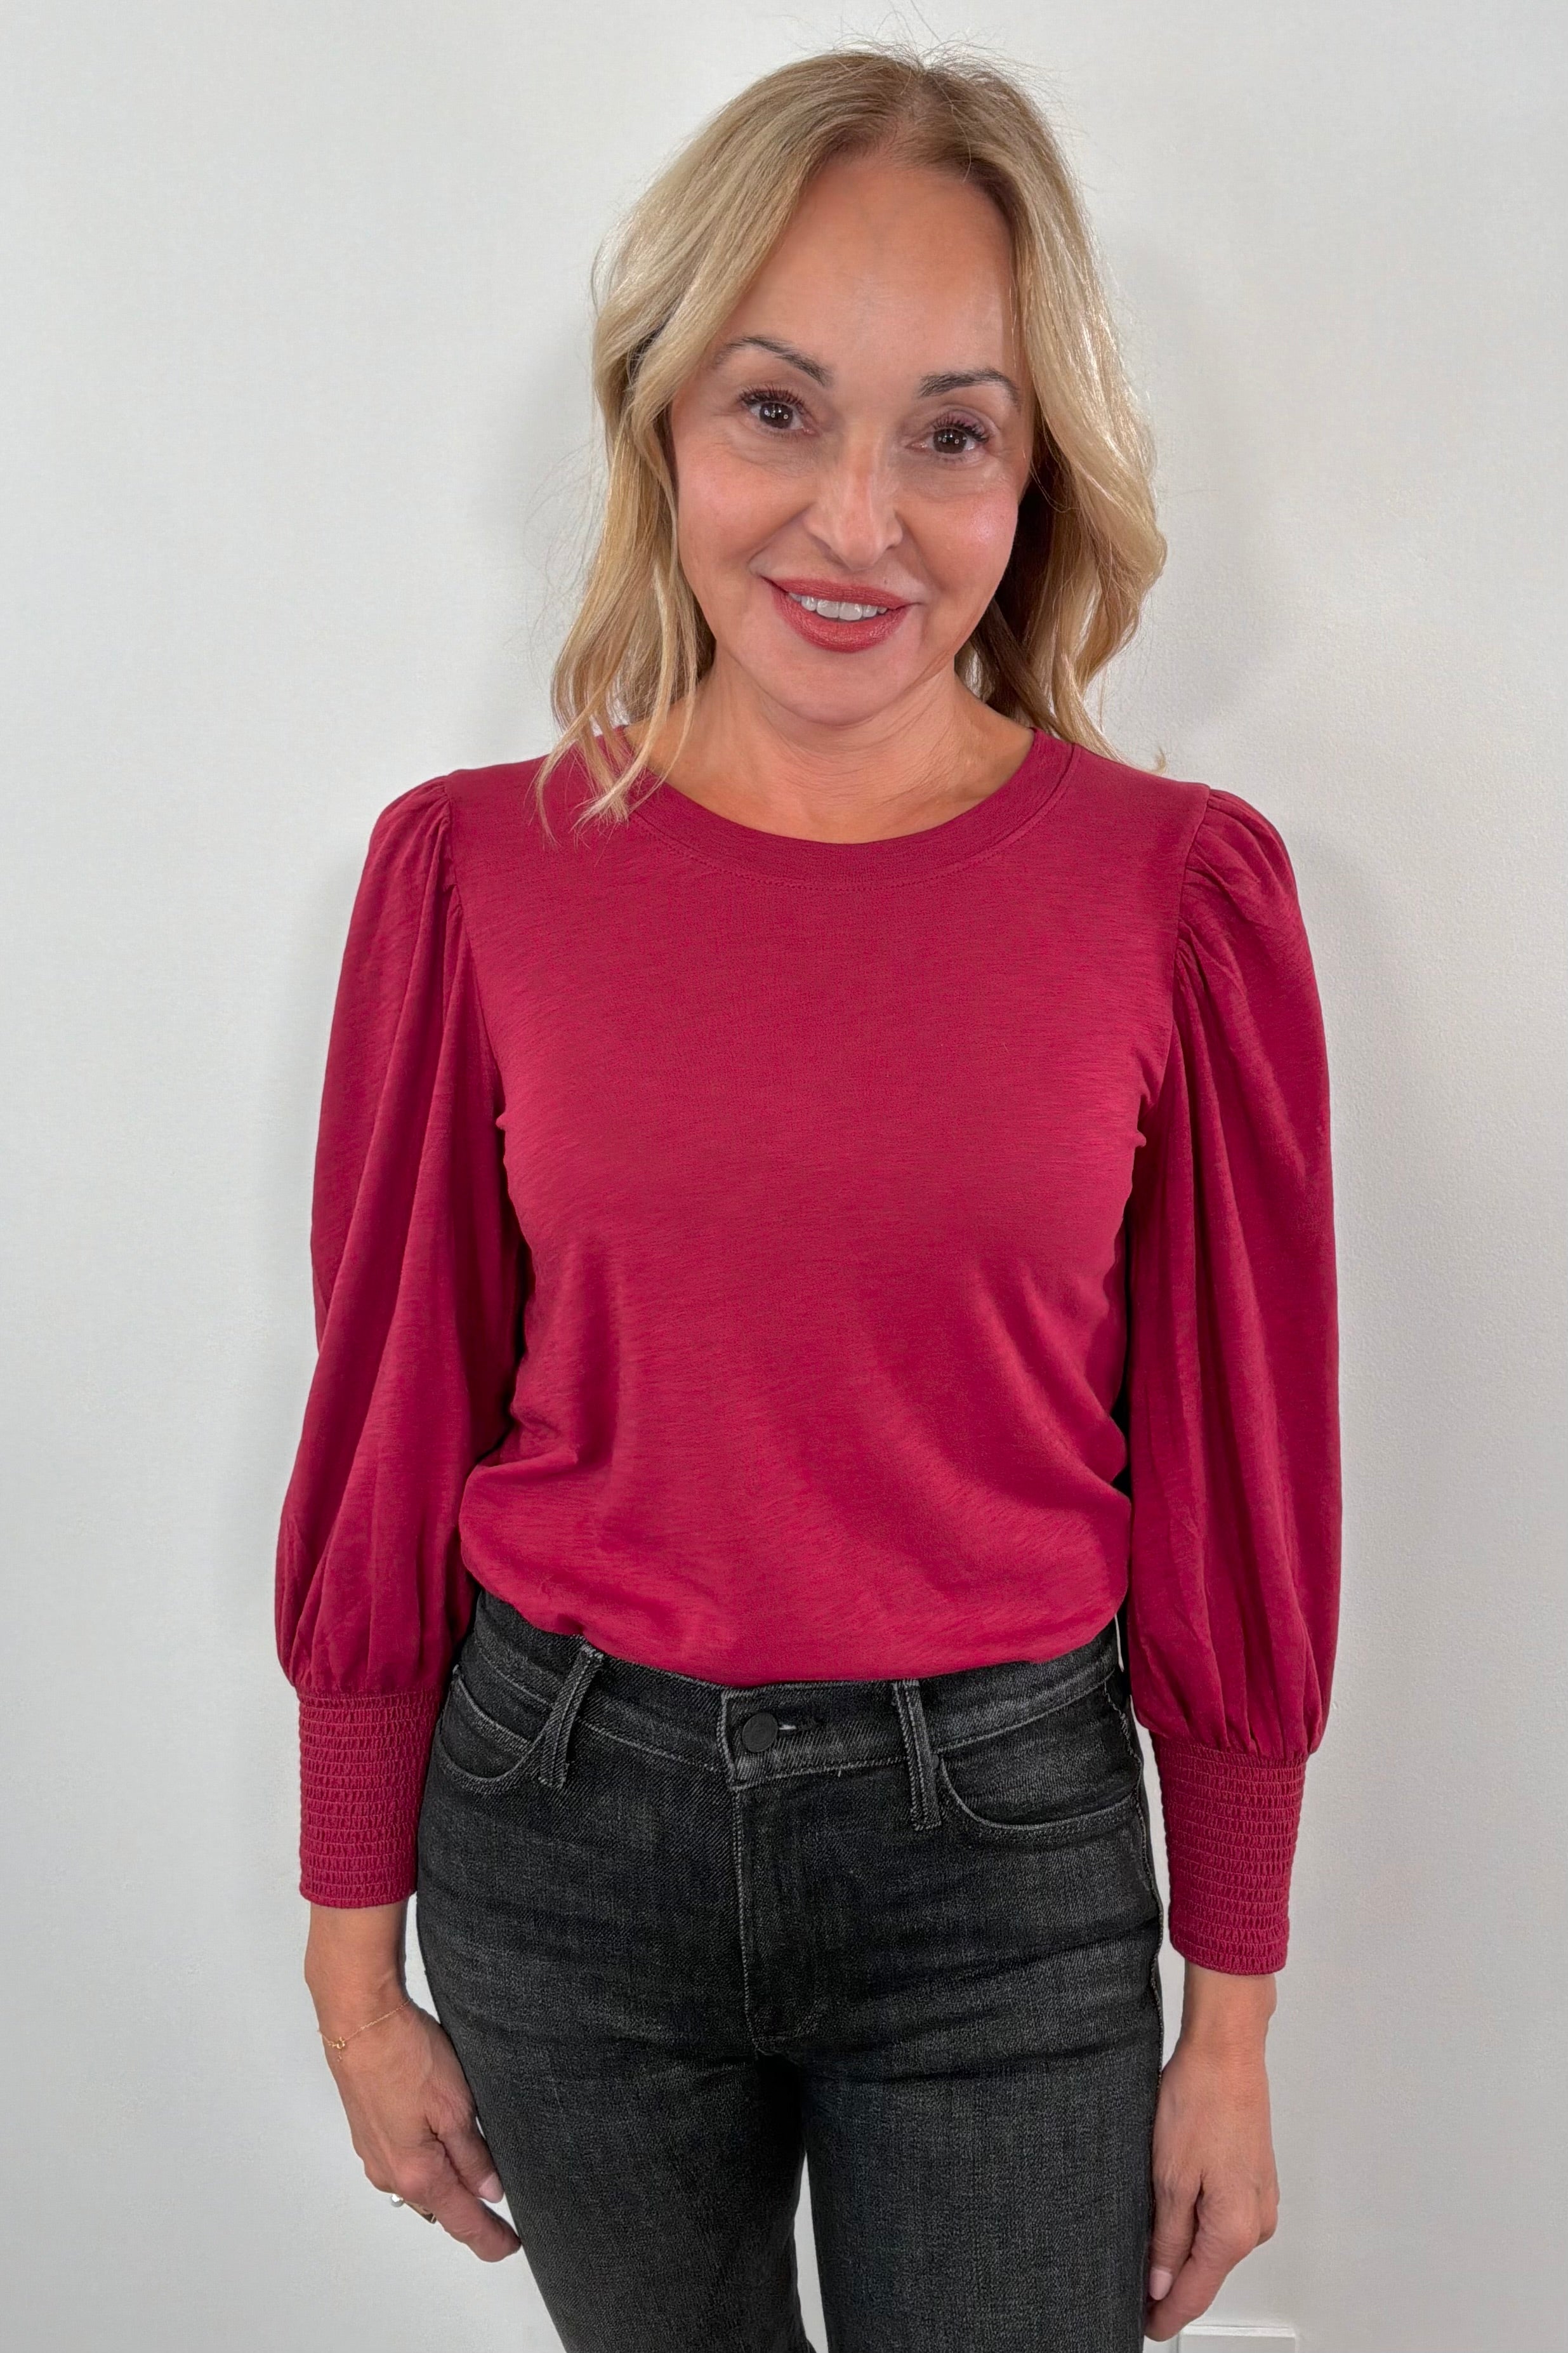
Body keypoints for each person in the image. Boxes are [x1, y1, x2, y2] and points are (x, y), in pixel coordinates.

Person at [276, 43, 1341, 2353]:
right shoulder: (474, 874)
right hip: (559, 1821)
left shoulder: (1180, 899)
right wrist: (352, 1952)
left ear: (1032, 469)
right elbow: (390, 1404)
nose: (856, 519)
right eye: (777, 409)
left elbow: (1242, 1485)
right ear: (662, 422)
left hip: (1009, 1862)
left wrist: (1231, 2020)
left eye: (947, 432)